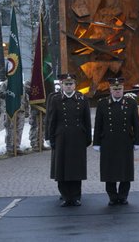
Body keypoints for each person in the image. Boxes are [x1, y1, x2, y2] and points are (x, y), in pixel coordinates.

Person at [93, 77, 139, 206]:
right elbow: (98, 124)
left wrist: (137, 141)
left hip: (125, 141)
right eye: (114, 89)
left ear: (123, 89)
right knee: (109, 170)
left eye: (119, 89)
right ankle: (112, 196)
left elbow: (136, 124)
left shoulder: (130, 103)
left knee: (125, 170)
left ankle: (123, 195)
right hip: (108, 141)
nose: (117, 91)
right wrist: (96, 142)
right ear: (110, 89)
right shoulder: (103, 103)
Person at [47, 74, 92, 207]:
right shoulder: (56, 100)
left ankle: (76, 196)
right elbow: (51, 120)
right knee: (62, 167)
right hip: (61, 137)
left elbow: (87, 121)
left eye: (71, 84)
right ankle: (66, 196)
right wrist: (51, 137)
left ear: (75, 85)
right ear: (62, 85)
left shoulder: (82, 99)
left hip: (78, 137)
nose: (68, 86)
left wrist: (88, 138)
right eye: (66, 84)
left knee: (76, 168)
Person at [0, 80, 29, 157]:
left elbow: (25, 97)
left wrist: (27, 109)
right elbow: (0, 94)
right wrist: (10, 93)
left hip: (21, 109)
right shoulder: (6, 83)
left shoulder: (20, 83)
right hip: (10, 110)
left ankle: (17, 147)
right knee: (10, 129)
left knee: (19, 129)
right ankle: (9, 148)